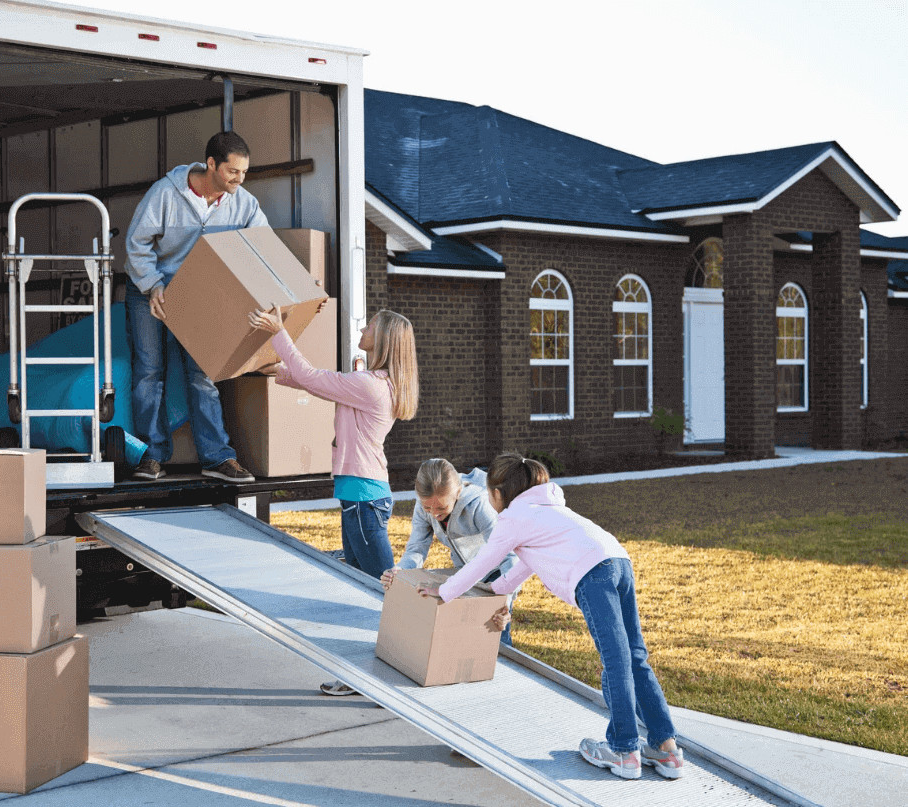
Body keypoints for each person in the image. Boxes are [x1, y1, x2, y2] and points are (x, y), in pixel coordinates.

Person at [418, 452, 684, 781]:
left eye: (489, 493)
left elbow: (481, 562)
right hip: (618, 560)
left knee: (616, 661)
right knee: (634, 656)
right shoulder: (549, 511)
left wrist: (444, 592)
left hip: (593, 573)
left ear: (498, 494)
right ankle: (666, 749)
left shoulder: (513, 518)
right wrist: (498, 591)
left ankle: (623, 750)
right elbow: (526, 565)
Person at [249, 305, 419, 697]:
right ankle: (365, 676)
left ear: (385, 339)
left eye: (370, 325)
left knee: (383, 594)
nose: (363, 327)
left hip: (363, 498)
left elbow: (313, 376)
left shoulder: (371, 385)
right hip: (359, 496)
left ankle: (395, 676)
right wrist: (271, 371)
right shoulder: (371, 382)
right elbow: (313, 383)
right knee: (362, 592)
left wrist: (279, 332)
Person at [123, 130, 266, 482]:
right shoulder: (165, 194)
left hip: (200, 295)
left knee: (203, 375)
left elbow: (261, 249)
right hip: (150, 288)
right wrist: (153, 285)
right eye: (233, 172)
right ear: (212, 164)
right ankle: (151, 455)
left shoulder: (244, 203)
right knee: (149, 372)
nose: (240, 180)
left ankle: (217, 458)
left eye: (244, 173)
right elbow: (136, 243)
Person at [380, 458, 519, 646]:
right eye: (428, 507)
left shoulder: (479, 505)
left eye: (441, 508)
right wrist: (400, 571)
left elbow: (508, 556)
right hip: (464, 574)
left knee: (495, 639)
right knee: (466, 638)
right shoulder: (423, 508)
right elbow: (416, 549)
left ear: (458, 493)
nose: (434, 514)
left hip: (497, 574)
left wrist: (506, 602)